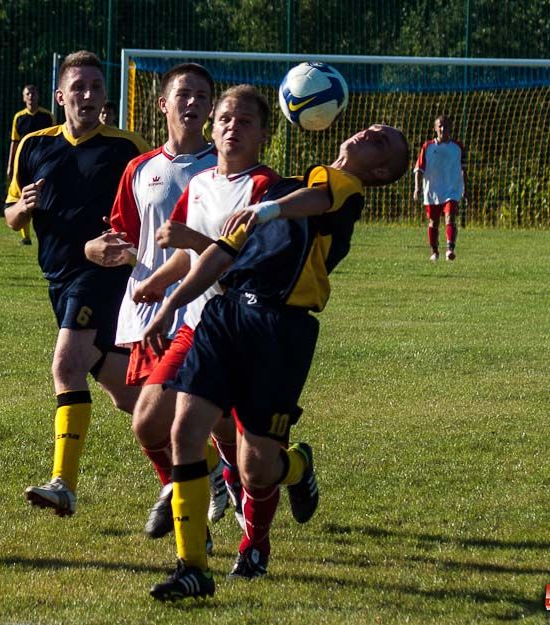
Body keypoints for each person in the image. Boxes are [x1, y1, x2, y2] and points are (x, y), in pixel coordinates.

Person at [143, 123, 410, 600]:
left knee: (257, 469)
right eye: (374, 129)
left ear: (383, 169)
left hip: (282, 330)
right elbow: (222, 255)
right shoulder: (288, 186)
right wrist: (167, 305)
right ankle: (193, 568)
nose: (372, 132)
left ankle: (291, 478)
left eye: (383, 140)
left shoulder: (341, 192)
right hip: (226, 315)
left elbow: (316, 202)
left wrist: (265, 209)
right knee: (185, 431)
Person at [83, 64, 235, 542]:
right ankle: (200, 490)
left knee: (198, 422)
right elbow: (125, 235)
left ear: (211, 108)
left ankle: (217, 486)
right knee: (154, 419)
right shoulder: (141, 169)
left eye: (202, 96)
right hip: (150, 312)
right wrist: (97, 250)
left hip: (206, 310)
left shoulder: (222, 170)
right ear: (163, 105)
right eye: (183, 95)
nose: (192, 103)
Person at [4, 50, 150, 517]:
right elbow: (8, 216)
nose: (88, 95)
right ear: (60, 95)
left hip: (105, 276)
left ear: (105, 96)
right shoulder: (33, 145)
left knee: (66, 366)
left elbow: (153, 208)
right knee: (127, 394)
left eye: (96, 87)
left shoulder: (126, 147)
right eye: (79, 87)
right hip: (58, 279)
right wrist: (23, 210)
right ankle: (212, 465)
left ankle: (63, 483)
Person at [413, 115, 466, 261]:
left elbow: (463, 169)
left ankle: (450, 249)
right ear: (435, 128)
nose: (443, 128)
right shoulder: (428, 146)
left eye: (445, 126)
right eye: (440, 126)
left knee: (450, 217)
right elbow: (419, 169)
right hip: (433, 191)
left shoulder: (457, 147)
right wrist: (417, 188)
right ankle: (434, 251)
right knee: (434, 222)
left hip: (451, 189)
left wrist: (464, 188)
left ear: (450, 128)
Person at [7, 84, 55, 245]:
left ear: (38, 96)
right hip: (25, 161)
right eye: (28, 93)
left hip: (43, 161)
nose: (31, 96)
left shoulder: (47, 116)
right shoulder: (19, 117)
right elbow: (14, 142)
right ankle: (26, 236)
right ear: (23, 97)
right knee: (23, 194)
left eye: (33, 93)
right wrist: (10, 164)